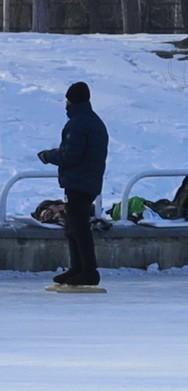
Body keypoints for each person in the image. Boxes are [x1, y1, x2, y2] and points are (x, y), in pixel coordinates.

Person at [38, 81, 108, 287]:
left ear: (72, 100)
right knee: (73, 226)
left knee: (79, 228)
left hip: (79, 181)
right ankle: (77, 268)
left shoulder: (77, 124)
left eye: (67, 100)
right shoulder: (94, 121)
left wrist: (49, 156)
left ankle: (88, 271)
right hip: (87, 180)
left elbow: (71, 155)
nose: (65, 104)